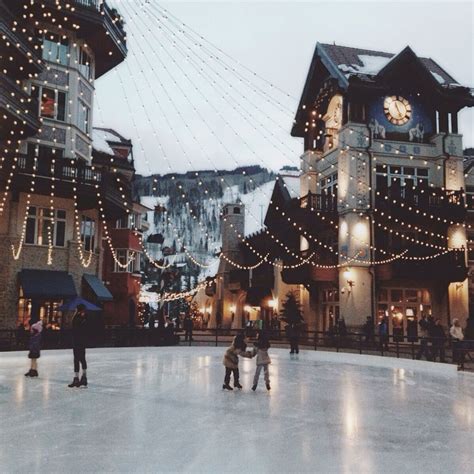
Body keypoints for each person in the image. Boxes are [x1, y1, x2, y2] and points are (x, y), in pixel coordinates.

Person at [68, 304, 89, 388]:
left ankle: (77, 378)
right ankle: (83, 377)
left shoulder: (77, 318)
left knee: (77, 359)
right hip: (81, 342)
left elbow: (75, 330)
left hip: (77, 341)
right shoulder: (83, 318)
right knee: (82, 358)